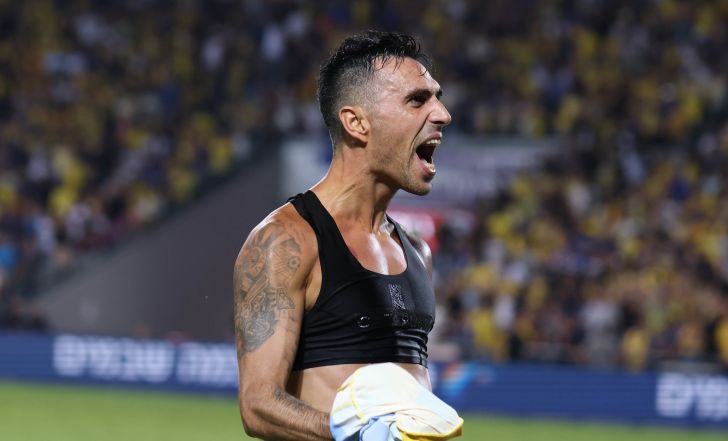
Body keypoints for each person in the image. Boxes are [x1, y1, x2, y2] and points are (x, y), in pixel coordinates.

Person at [233, 30, 461, 440]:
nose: (442, 114)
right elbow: (258, 405)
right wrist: (354, 434)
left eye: (437, 98)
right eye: (417, 100)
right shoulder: (287, 240)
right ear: (356, 123)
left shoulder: (416, 252)